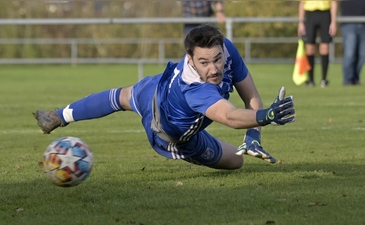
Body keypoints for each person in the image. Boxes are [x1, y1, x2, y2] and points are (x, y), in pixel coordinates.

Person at [33, 24, 295, 170]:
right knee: (235, 162)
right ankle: (61, 115)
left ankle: (59, 116)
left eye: (217, 59)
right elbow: (230, 116)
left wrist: (254, 135)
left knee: (121, 96)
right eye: (204, 63)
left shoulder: (226, 48)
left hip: (156, 88)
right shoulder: (196, 89)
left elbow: (251, 94)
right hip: (168, 134)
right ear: (190, 60)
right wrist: (268, 116)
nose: (213, 68)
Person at [298, 1, 338, 87]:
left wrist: (334, 22)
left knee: (325, 46)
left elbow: (333, 2)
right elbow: (302, 3)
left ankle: (324, 79)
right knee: (309, 47)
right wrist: (301, 22)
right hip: (310, 14)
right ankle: (311, 80)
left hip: (325, 13)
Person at [340, 0, 365, 86]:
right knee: (350, 53)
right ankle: (348, 79)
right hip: (348, 23)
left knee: (362, 54)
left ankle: (355, 78)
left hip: (363, 23)